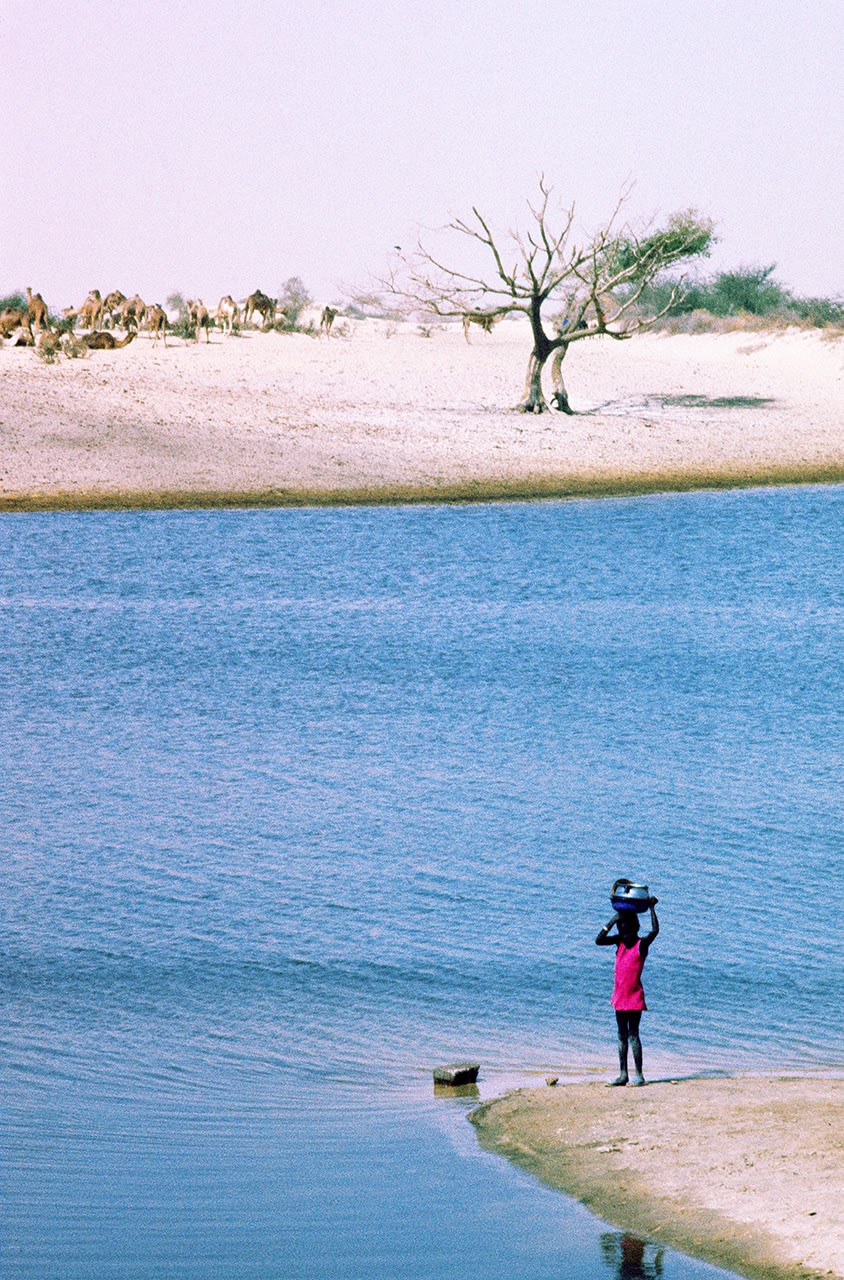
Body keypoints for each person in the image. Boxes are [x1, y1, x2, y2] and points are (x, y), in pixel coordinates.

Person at [595, 896, 659, 1086]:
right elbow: (599, 940)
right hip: (620, 996)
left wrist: (652, 908)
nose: (623, 932)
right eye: (621, 929)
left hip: (634, 997)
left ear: (635, 929)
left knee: (633, 1034)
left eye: (625, 929)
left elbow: (655, 931)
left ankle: (639, 1075)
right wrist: (613, 920)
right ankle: (623, 1074)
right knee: (621, 1035)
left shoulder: (641, 945)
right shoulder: (619, 942)